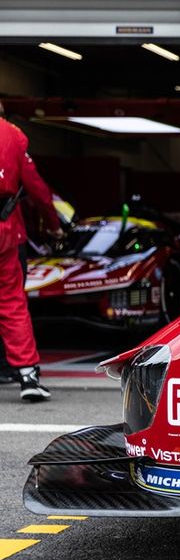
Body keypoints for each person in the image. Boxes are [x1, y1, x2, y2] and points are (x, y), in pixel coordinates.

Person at [0, 113, 61, 401]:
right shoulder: (13, 135)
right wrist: (54, 224)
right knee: (11, 302)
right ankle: (27, 376)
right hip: (4, 232)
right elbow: (36, 188)